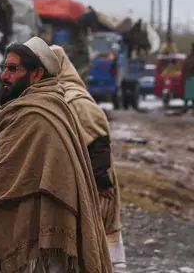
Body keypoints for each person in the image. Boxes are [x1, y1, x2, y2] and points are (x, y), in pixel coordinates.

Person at [0, 36, 112, 273]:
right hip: (11, 219)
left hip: (45, 236)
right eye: (4, 68)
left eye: (13, 69)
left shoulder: (41, 116)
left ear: (37, 74)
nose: (4, 76)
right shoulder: (20, 112)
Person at [51, 45, 126, 272]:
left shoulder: (78, 101)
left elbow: (99, 146)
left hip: (93, 193)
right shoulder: (54, 98)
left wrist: (97, 188)